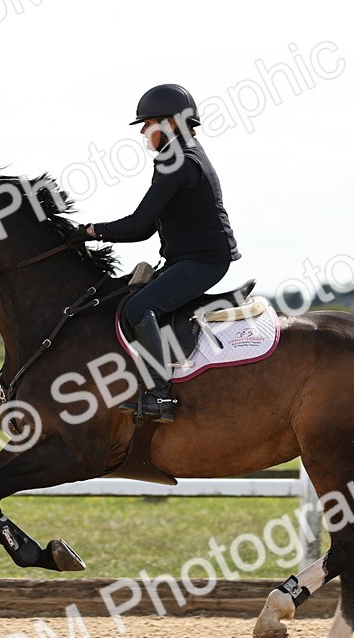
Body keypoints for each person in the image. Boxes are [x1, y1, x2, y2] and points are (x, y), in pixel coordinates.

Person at [69, 83, 242, 424]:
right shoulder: (185, 154)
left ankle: (159, 395)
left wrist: (90, 231)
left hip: (203, 260)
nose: (145, 133)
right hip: (193, 257)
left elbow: (138, 225)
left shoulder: (176, 161)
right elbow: (146, 228)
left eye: (148, 125)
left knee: (140, 306)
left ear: (171, 124)